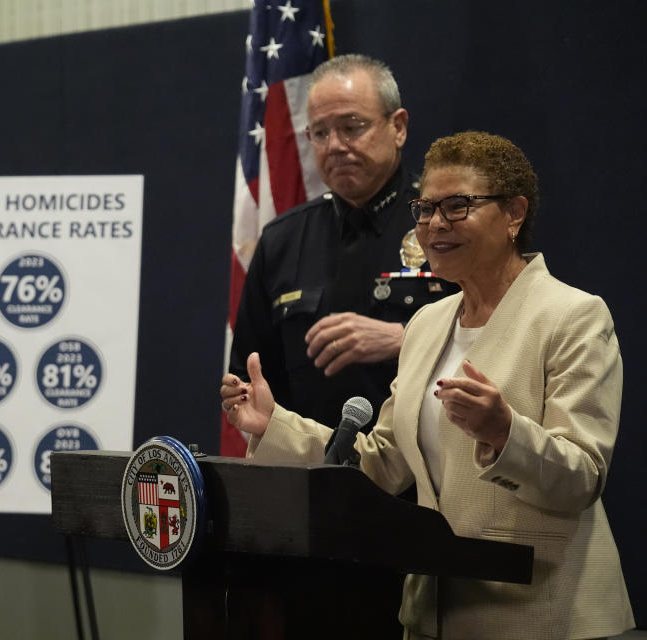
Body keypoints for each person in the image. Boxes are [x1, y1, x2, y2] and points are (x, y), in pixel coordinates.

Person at [221, 131, 634, 639]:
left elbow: (583, 478)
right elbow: (383, 461)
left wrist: (506, 433)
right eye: (425, 208)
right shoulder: (428, 324)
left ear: (514, 214)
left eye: (457, 206)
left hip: (541, 613)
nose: (434, 224)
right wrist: (275, 426)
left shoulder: (572, 317)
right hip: (433, 613)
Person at [229, 54, 457, 437]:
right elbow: (251, 373)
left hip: (427, 477)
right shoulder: (281, 239)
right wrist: (240, 394)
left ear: (398, 127)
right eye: (320, 133)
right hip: (310, 477)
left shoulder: (448, 222)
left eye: (352, 127)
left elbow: (502, 346)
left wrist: (406, 339)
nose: (334, 145)